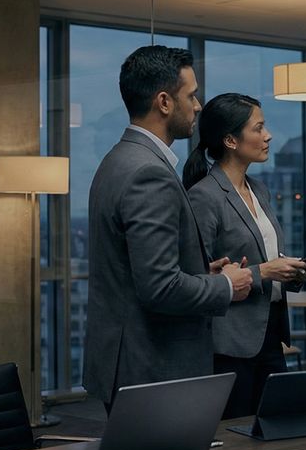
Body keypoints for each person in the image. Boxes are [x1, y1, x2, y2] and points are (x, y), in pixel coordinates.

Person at [84, 45, 253, 413]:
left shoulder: (117, 160)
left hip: (130, 364)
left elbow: (135, 269)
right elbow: (158, 288)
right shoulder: (149, 173)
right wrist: (226, 284)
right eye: (190, 95)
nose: (197, 106)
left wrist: (198, 272)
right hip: (153, 367)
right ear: (164, 101)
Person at [183, 93, 306, 418]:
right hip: (229, 342)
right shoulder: (204, 197)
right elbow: (197, 278)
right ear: (230, 140)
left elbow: (266, 254)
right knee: (235, 439)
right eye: (259, 128)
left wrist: (293, 271)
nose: (268, 136)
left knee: (277, 428)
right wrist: (265, 272)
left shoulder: (260, 189)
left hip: (270, 333)